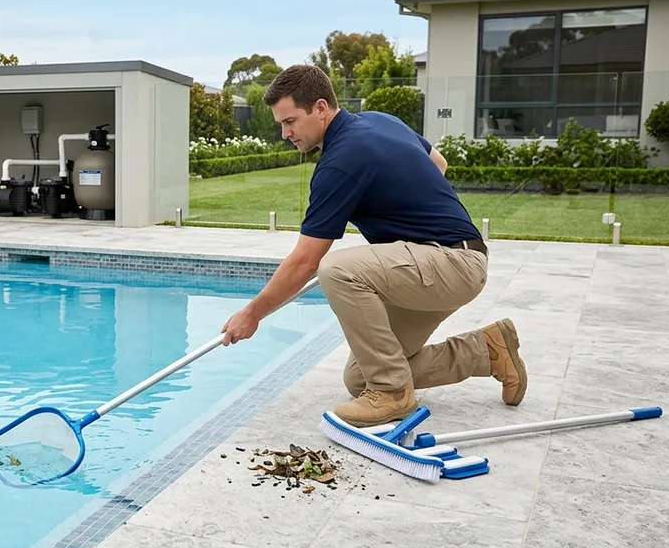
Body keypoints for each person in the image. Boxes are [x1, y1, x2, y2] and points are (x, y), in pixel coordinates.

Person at [220, 64, 526, 428]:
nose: (285, 133)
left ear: (320, 108)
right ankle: (488, 351)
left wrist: (252, 314)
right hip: (451, 259)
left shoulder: (340, 162)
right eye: (281, 125)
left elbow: (305, 262)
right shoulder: (381, 121)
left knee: (337, 269)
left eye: (290, 121)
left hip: (452, 263)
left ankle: (393, 395)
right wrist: (406, 228)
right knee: (360, 378)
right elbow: (438, 164)